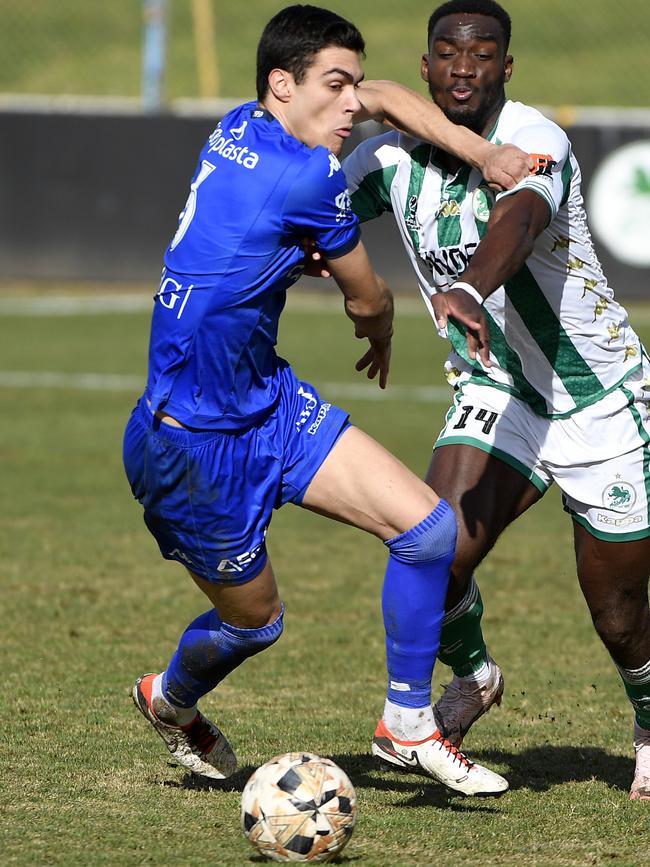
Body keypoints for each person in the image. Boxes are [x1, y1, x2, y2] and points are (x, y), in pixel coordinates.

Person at [123, 4, 531, 797]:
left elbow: (382, 98)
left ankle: (407, 722)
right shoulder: (304, 175)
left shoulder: (243, 124)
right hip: (187, 448)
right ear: (284, 85)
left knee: (425, 527)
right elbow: (369, 296)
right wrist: (376, 328)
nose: (354, 104)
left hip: (269, 404)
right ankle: (170, 699)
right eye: (335, 86)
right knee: (256, 622)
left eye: (353, 84)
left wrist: (483, 153)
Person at [342, 0, 650, 801]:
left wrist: (471, 286)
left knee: (617, 613)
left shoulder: (536, 141)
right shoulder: (386, 164)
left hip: (596, 399)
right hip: (498, 386)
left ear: (506, 69)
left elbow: (517, 218)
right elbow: (314, 216)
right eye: (447, 51)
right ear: (425, 68)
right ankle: (475, 676)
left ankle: (649, 715)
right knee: (429, 547)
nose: (464, 67)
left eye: (482, 54)